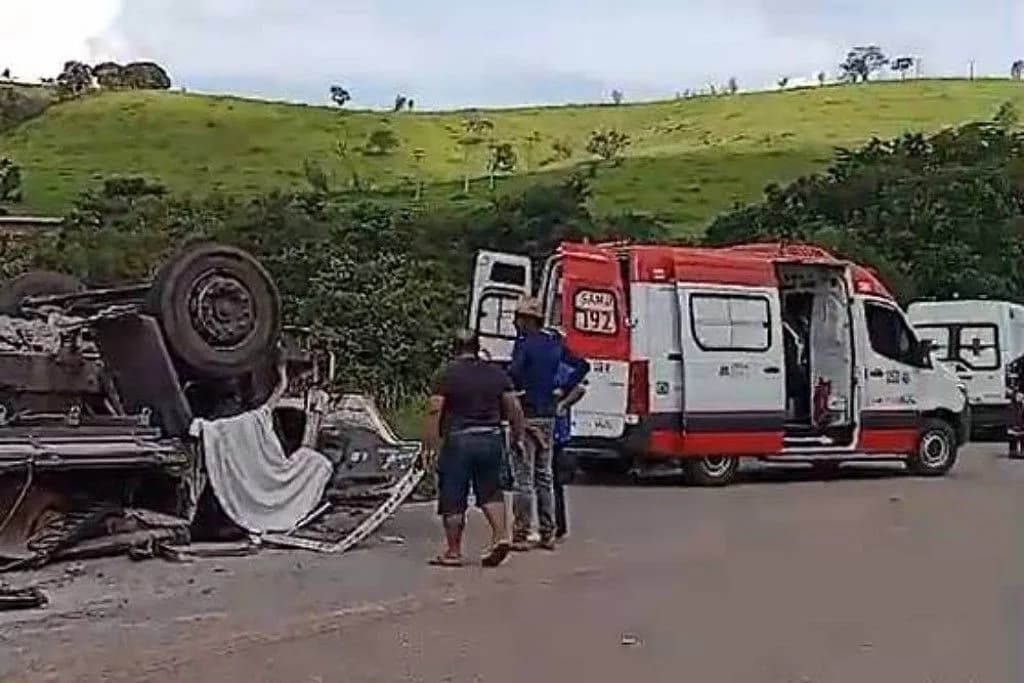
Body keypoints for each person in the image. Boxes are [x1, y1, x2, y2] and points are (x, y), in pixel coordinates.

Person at [422, 329, 526, 567]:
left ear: (454, 348)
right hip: (491, 437)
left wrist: (428, 445)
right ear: (477, 347)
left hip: (459, 440)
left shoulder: (446, 374)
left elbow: (434, 409)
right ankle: (501, 536)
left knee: (453, 495)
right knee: (491, 490)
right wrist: (517, 437)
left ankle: (453, 551)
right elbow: (514, 407)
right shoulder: (495, 373)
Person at [507, 297, 590, 551]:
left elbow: (514, 374)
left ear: (527, 320)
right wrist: (561, 389)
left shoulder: (525, 345)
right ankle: (548, 533)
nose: (514, 322)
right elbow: (582, 366)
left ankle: (521, 533)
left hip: (528, 414)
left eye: (518, 317)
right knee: (544, 476)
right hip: (549, 416)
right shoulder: (554, 343)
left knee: (523, 476)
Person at [552, 354, 587, 541]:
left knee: (548, 481)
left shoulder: (558, 366)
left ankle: (554, 524)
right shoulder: (562, 365)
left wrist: (563, 404)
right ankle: (557, 524)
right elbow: (580, 388)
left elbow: (580, 388)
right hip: (558, 432)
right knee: (553, 482)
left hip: (553, 431)